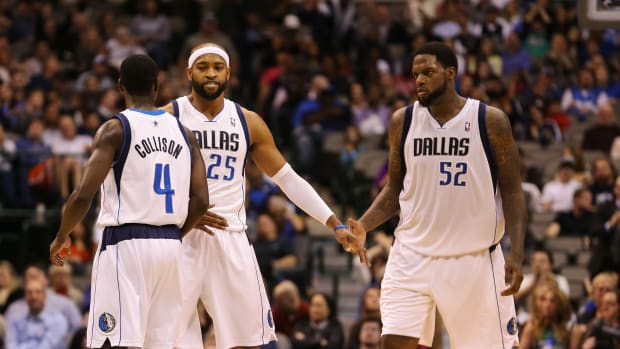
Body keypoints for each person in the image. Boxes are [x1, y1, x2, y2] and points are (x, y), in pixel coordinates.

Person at [163, 42, 367, 349]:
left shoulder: (247, 121)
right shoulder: (169, 117)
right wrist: (183, 210)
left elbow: (287, 178)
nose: (210, 74)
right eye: (203, 67)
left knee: (249, 341)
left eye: (217, 67)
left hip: (230, 236)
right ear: (189, 72)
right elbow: (149, 181)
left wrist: (333, 222)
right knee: (167, 340)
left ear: (228, 73)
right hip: (181, 235)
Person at [348, 42, 526, 348]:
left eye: (428, 72)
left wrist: (518, 253)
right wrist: (364, 225)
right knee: (393, 342)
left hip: (473, 259)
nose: (419, 79)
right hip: (411, 255)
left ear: (450, 73)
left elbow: (512, 189)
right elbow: (394, 189)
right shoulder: (402, 121)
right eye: (415, 73)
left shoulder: (490, 120)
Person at [49, 54, 210, 349]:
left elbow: (83, 194)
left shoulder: (115, 129)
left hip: (126, 245)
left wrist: (62, 235)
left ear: (121, 86)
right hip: (172, 246)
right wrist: (174, 235)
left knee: (115, 341)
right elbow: (201, 200)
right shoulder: (185, 133)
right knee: (159, 343)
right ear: (156, 86)